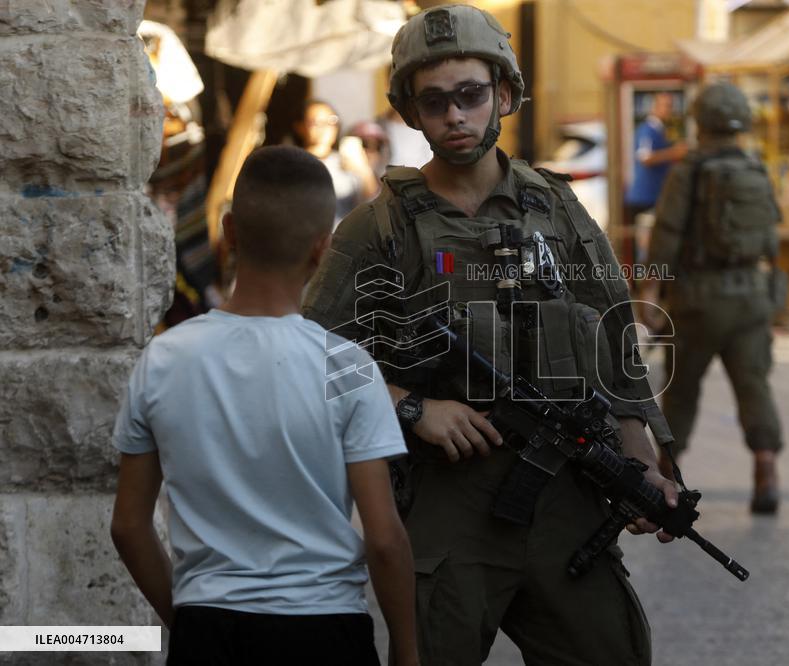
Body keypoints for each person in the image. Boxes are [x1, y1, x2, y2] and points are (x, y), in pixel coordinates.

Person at [303, 5, 678, 665]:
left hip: (566, 500)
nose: (455, 116)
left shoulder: (557, 208)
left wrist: (641, 459)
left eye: (471, 96)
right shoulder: (379, 229)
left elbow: (616, 339)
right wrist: (411, 408)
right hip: (449, 513)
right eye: (436, 101)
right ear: (411, 112)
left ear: (503, 95)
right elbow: (311, 357)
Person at [110, 146, 419, 665]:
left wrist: (186, 617)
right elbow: (384, 539)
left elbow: (128, 525)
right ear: (323, 249)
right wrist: (407, 655)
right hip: (327, 630)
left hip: (208, 626)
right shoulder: (348, 367)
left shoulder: (163, 358)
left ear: (229, 231)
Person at [640, 81, 785, 515]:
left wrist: (649, 294)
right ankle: (766, 471)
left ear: (700, 121)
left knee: (682, 389)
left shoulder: (690, 170)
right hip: (751, 296)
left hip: (699, 299)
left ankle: (667, 475)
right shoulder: (756, 168)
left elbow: (666, 236)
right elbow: (770, 238)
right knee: (753, 384)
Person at [624, 91, 688, 264]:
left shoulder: (662, 130)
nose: (669, 110)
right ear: (655, 107)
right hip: (645, 197)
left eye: (671, 106)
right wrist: (675, 153)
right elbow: (645, 157)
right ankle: (644, 284)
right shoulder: (648, 129)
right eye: (666, 106)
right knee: (646, 244)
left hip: (656, 195)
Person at [294, 100, 379, 228]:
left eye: (331, 121)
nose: (325, 128)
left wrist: (363, 170)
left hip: (343, 241)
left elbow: (373, 204)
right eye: (315, 122)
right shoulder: (293, 163)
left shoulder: (346, 160)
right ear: (300, 127)